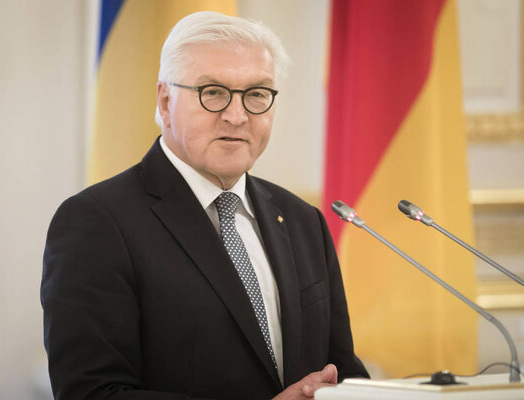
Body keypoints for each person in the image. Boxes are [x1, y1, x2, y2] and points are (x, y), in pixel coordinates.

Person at [41, 11, 368, 400]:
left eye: (257, 94)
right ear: (165, 101)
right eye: (213, 92)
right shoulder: (96, 221)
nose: (237, 115)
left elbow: (342, 373)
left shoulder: (302, 220)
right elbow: (91, 393)